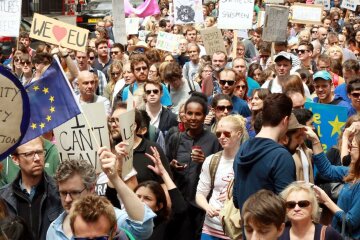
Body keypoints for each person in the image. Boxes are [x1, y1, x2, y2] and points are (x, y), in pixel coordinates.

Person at [166, 95, 221, 239]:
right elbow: (165, 167)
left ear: (204, 116)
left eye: (198, 114)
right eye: (190, 113)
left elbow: (219, 171)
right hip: (178, 203)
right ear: (184, 115)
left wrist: (205, 162)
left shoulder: (213, 140)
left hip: (200, 207)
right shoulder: (175, 138)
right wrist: (172, 166)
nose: (193, 117)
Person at [233, 93, 295, 210]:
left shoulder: (243, 148)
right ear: (286, 120)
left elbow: (236, 200)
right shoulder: (281, 156)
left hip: (247, 226)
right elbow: (287, 207)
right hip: (272, 226)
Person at [0, 137, 63, 240]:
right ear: (15, 159)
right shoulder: (3, 197)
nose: (37, 158)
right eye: (29, 154)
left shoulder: (59, 192)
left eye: (40, 152)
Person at [196, 115, 246, 239]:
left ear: (239, 134)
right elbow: (200, 194)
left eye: (227, 134)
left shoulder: (247, 162)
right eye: (218, 134)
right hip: (211, 227)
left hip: (236, 228)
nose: (222, 137)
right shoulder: (211, 160)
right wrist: (207, 207)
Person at [306, 126, 360, 239]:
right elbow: (327, 170)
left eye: (352, 146)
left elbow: (351, 221)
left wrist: (326, 201)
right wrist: (315, 141)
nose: (349, 150)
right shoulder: (352, 173)